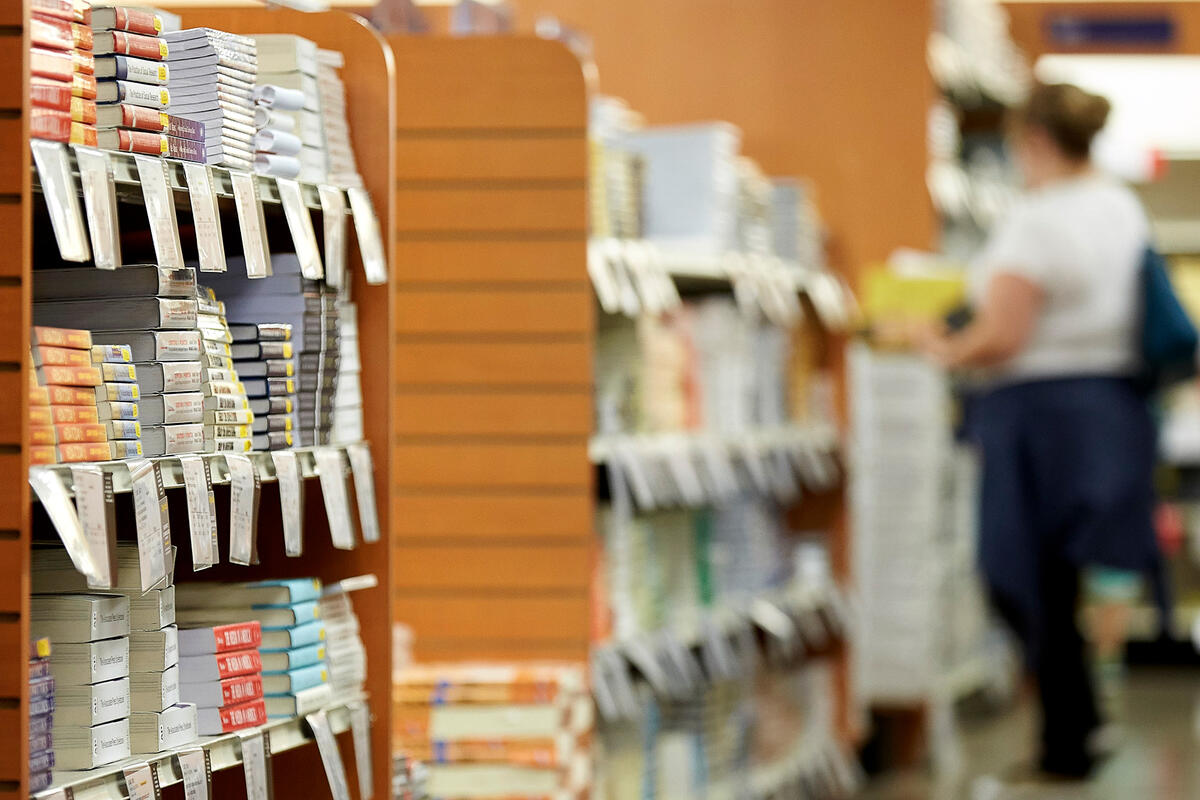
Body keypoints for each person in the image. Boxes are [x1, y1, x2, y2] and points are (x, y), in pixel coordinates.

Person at [920, 82, 1161, 780]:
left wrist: (935, 346)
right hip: (1111, 410)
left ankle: (1070, 735)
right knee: (1068, 576)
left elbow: (1002, 334)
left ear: (1033, 141)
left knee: (1015, 573)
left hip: (1036, 416)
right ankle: (1075, 732)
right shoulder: (1120, 206)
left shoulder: (1036, 219)